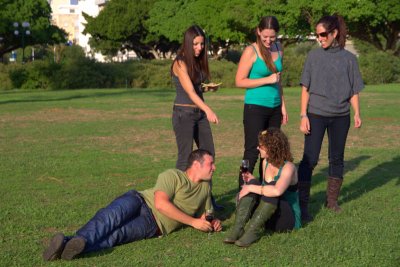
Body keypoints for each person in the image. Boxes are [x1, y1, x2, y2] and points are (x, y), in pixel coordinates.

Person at [43, 149, 222, 261]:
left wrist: (212, 222)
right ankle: (72, 243)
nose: (214, 167)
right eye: (211, 163)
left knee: (116, 236)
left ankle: (66, 246)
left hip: (154, 225)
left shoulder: (205, 188)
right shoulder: (173, 176)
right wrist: (192, 222)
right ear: (197, 164)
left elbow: (206, 215)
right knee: (107, 219)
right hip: (139, 201)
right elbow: (160, 203)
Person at [297, 14, 364, 223]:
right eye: (317, 35)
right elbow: (305, 88)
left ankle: (332, 201)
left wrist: (357, 113)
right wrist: (303, 115)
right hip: (315, 114)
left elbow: (354, 90)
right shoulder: (313, 57)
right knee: (310, 159)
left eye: (323, 34)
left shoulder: (349, 59)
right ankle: (303, 204)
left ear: (334, 33)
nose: (320, 38)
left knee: (337, 158)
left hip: (341, 117)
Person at [171, 25, 222, 209]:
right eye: (196, 44)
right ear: (187, 42)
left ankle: (207, 201)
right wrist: (208, 109)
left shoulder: (197, 61)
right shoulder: (179, 63)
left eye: (202, 44)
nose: (200, 48)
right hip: (184, 114)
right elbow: (190, 92)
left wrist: (208, 88)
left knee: (209, 155)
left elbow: (197, 88)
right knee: (185, 157)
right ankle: (177, 200)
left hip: (198, 114)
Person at [223, 128, 301, 247]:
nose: (257, 148)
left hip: (287, 220)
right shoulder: (265, 162)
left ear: (271, 148)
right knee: (253, 185)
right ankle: (237, 229)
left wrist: (251, 188)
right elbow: (263, 188)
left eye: (261, 146)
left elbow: (276, 191)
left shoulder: (289, 167)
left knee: (269, 187)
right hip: (269, 217)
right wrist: (252, 181)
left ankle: (252, 232)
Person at [235, 16, 287, 190]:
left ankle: (266, 190)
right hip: (255, 108)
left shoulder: (279, 49)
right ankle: (242, 189)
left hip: (275, 108)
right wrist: (267, 79)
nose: (268, 40)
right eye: (265, 36)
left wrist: (283, 105)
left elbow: (278, 81)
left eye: (272, 37)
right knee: (251, 151)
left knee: (272, 151)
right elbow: (239, 81)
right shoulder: (251, 51)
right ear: (258, 31)